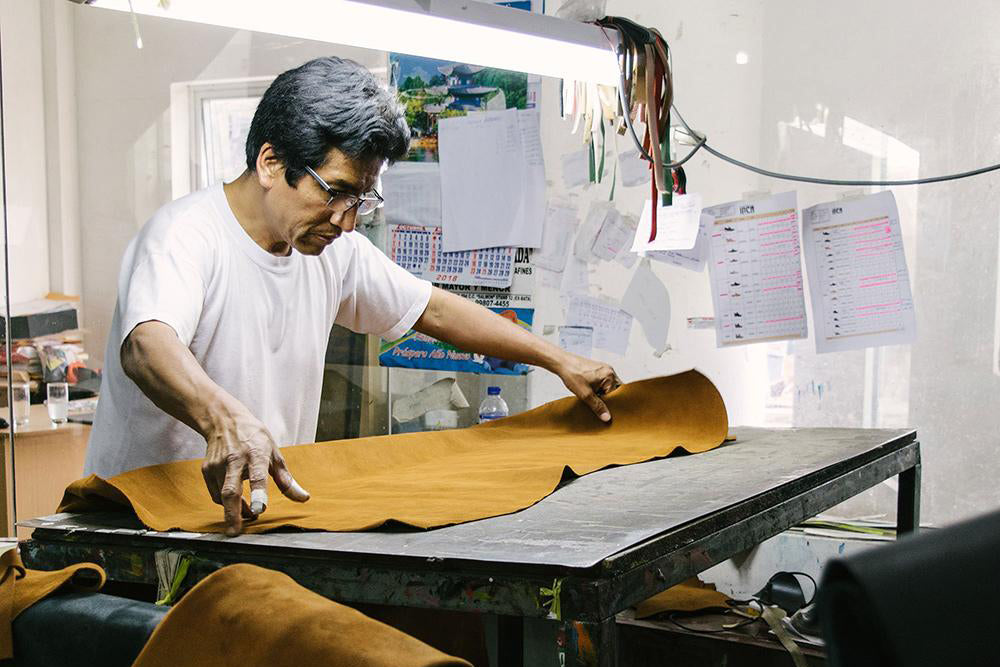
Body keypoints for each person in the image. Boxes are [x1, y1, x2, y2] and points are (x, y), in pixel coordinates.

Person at [85, 56, 621, 536]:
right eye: (335, 191)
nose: (346, 219)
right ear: (272, 163)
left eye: (363, 198)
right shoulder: (184, 236)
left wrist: (560, 360)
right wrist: (223, 419)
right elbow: (147, 344)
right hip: (143, 520)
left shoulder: (332, 250)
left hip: (254, 519)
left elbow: (432, 309)